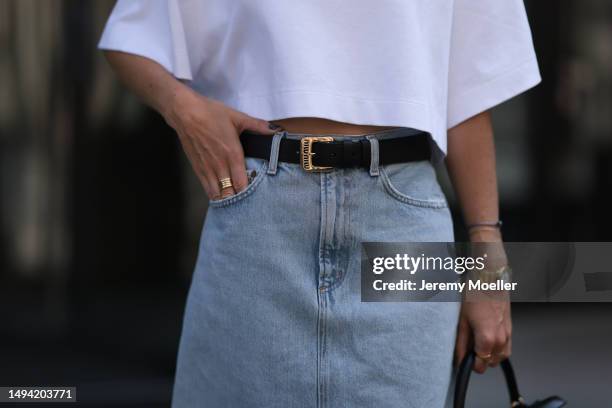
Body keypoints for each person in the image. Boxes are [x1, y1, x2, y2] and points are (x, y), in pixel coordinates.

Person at [98, 1, 541, 406]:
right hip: (259, 213)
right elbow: (131, 39)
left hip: (404, 217)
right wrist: (186, 111)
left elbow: (466, 94)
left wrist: (489, 260)